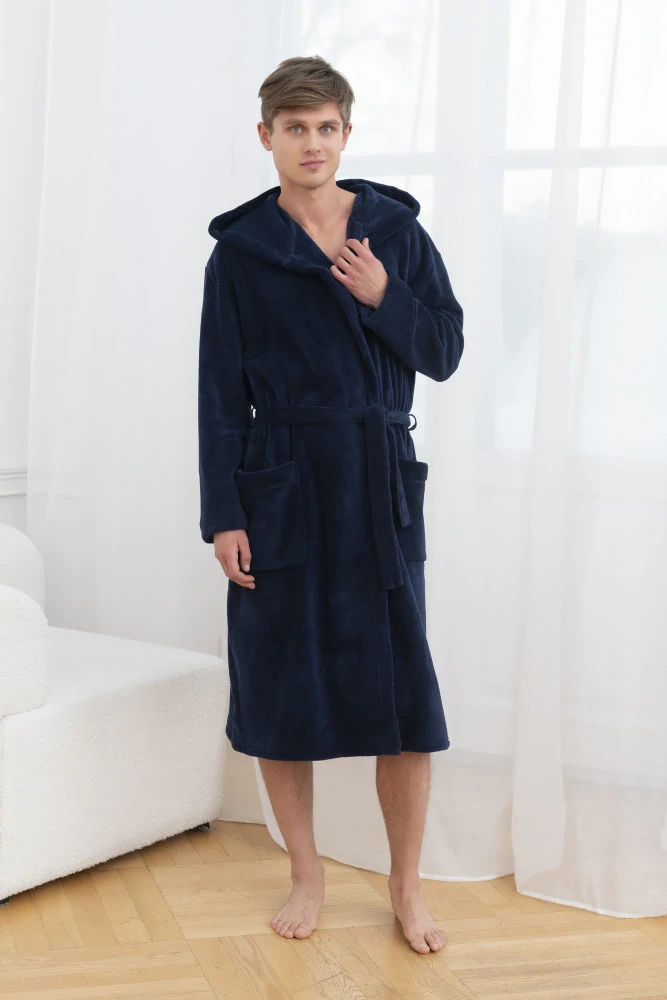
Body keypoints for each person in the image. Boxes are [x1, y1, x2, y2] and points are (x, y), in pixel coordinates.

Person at [198, 55, 464, 954]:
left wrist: (385, 296)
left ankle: (405, 886)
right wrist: (224, 514)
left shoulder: (394, 232)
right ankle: (305, 873)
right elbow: (218, 395)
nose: (310, 143)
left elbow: (444, 350)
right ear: (265, 136)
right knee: (281, 690)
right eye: (293, 127)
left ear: (346, 134)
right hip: (281, 488)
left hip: (377, 486)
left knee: (404, 698)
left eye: (325, 127)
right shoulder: (241, 254)